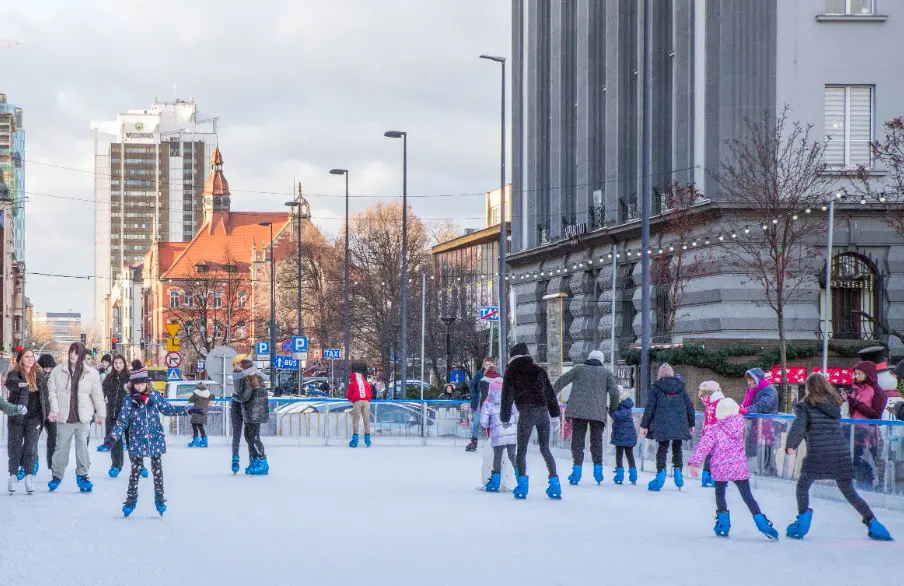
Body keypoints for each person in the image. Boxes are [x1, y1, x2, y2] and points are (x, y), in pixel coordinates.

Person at [785, 373, 892, 541]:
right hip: (840, 452)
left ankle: (802, 522)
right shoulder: (834, 403)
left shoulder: (805, 405)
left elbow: (799, 426)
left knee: (803, 486)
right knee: (849, 492)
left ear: (809, 387)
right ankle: (874, 523)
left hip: (818, 453)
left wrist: (791, 445)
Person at [99, 366, 200, 516]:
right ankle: (130, 500)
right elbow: (121, 422)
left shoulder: (155, 397)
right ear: (132, 385)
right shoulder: (128, 401)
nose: (140, 386)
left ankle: (159, 500)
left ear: (147, 383)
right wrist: (112, 438)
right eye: (137, 384)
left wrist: (188, 410)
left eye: (142, 383)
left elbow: (168, 409)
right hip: (137, 441)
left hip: (155, 439)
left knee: (158, 472)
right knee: (135, 472)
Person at [688, 398, 779, 540]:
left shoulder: (714, 429)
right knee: (748, 497)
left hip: (721, 468)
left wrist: (694, 463)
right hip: (738, 467)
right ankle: (762, 523)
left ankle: (723, 525)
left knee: (720, 494)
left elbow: (703, 447)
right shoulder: (740, 424)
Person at [501, 342, 562, 500]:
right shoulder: (539, 370)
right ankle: (555, 483)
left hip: (526, 413)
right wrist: (555, 414)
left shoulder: (511, 371)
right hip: (542, 413)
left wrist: (505, 417)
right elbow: (549, 393)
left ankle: (522, 485)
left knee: (521, 450)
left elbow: (507, 396)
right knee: (545, 448)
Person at [552, 349, 618, 486]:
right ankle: (598, 472)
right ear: (601, 360)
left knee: (577, 441)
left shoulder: (578, 369)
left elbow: (561, 381)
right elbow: (615, 393)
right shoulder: (606, 373)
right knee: (596, 441)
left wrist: (551, 396)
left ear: (588, 358)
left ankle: (576, 471)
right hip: (597, 412)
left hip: (578, 411)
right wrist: (612, 409)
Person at [46, 342, 105, 493]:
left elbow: (97, 395)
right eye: (71, 351)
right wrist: (54, 410)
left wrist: (101, 415)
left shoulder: (92, 374)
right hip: (65, 418)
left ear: (82, 355)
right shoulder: (57, 371)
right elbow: (51, 392)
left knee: (82, 448)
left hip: (83, 418)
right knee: (61, 448)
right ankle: (57, 475)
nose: (73, 355)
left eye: (76, 352)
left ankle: (83, 476)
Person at [640, 363, 695, 492]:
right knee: (677, 448)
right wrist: (691, 423)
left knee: (662, 449)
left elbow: (649, 408)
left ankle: (660, 475)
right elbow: (689, 407)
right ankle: (678, 473)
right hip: (679, 423)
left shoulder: (655, 389)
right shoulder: (681, 388)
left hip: (662, 423)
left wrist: (644, 425)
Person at [6, 349, 49, 495]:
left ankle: (28, 477)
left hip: (35, 417)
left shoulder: (39, 374)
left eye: (32, 357)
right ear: (21, 359)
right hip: (17, 416)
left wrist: (47, 415)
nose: (30, 359)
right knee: (15, 447)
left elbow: (45, 396)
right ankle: (13, 475)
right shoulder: (15, 373)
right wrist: (20, 384)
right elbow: (10, 383)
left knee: (30, 448)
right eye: (27, 357)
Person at [845, 361, 883, 487]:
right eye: (855, 374)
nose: (856, 376)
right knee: (853, 459)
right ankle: (859, 482)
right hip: (853, 431)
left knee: (865, 459)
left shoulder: (876, 391)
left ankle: (869, 483)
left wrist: (855, 403)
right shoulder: (854, 389)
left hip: (868, 433)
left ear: (868, 374)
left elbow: (876, 415)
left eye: (860, 374)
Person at [479, 371, 517, 492]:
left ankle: (495, 483)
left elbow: (484, 422)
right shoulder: (511, 402)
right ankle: (521, 479)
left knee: (497, 457)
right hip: (511, 435)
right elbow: (518, 416)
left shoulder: (488, 403)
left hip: (497, 435)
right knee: (512, 456)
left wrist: (491, 423)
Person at [234, 358, 270, 475]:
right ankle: (255, 460)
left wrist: (234, 396)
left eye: (240, 365)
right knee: (251, 437)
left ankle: (261, 461)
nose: (237, 366)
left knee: (252, 438)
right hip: (255, 413)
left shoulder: (249, 379)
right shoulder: (255, 378)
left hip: (252, 413)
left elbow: (244, 397)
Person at [100, 354, 130, 477]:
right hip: (113, 415)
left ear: (124, 364)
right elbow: (101, 393)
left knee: (132, 442)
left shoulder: (130, 378)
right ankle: (116, 465)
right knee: (115, 442)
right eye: (116, 363)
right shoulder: (109, 378)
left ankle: (139, 464)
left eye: (120, 363)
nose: (118, 365)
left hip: (128, 415)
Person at [698, 380, 725, 488]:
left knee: (709, 455)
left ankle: (705, 478)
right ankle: (715, 478)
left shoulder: (708, 402)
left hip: (707, 431)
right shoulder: (719, 400)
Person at [610, 386, 637, 485]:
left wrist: (611, 411)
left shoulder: (622, 406)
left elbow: (618, 416)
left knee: (619, 455)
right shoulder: (627, 406)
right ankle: (633, 474)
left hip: (621, 435)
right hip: (628, 435)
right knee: (629, 455)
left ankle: (620, 475)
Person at [465, 357, 494, 452]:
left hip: (491, 402)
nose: (488, 366)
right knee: (476, 421)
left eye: (490, 364)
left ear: (493, 365)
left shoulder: (496, 375)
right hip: (479, 401)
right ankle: (474, 441)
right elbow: (472, 384)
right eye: (486, 364)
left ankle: (492, 441)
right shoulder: (479, 374)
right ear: (483, 364)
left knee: (492, 422)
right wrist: (474, 395)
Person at [36, 354, 58, 473]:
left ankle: (52, 463)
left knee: (53, 439)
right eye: (46, 367)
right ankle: (34, 461)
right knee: (33, 439)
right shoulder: (36, 376)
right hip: (38, 413)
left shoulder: (55, 378)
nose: (48, 369)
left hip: (51, 413)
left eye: (50, 367)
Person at [346, 362, 373, 448]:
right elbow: (370, 394)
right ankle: (367, 440)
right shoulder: (366, 383)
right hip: (366, 401)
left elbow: (349, 396)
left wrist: (352, 398)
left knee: (356, 420)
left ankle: (355, 440)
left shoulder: (352, 384)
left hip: (357, 401)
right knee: (366, 421)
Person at [229, 355, 247, 474]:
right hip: (242, 405)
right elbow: (242, 392)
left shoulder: (239, 375)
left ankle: (235, 458)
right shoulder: (242, 375)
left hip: (237, 404)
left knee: (238, 435)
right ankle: (236, 458)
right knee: (245, 435)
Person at [187, 382, 215, 448]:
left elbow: (190, 400)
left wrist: (194, 394)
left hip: (197, 411)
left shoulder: (196, 395)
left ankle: (196, 439)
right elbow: (213, 397)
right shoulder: (208, 395)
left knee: (194, 425)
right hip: (204, 412)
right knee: (200, 425)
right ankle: (204, 439)